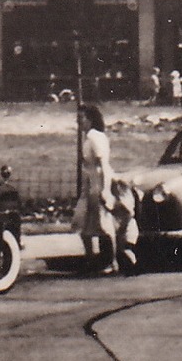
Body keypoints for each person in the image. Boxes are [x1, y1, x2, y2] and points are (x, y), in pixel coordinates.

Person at [77, 104, 116, 273]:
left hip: (98, 184)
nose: (79, 122)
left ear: (90, 120)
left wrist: (104, 189)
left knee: (104, 224)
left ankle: (111, 262)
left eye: (82, 118)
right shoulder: (89, 138)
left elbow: (102, 165)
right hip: (90, 185)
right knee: (84, 226)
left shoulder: (95, 137)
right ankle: (91, 261)